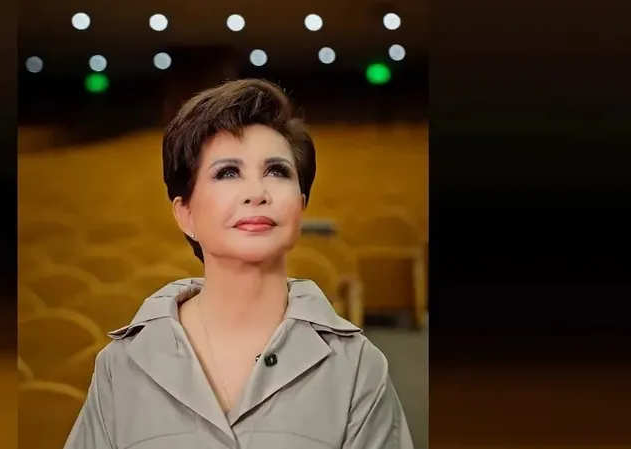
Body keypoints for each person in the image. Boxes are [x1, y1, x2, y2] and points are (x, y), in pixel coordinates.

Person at [64, 79, 414, 449]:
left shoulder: (357, 366)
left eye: (277, 171)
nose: (256, 193)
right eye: (228, 172)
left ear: (300, 206)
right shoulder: (122, 365)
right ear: (186, 214)